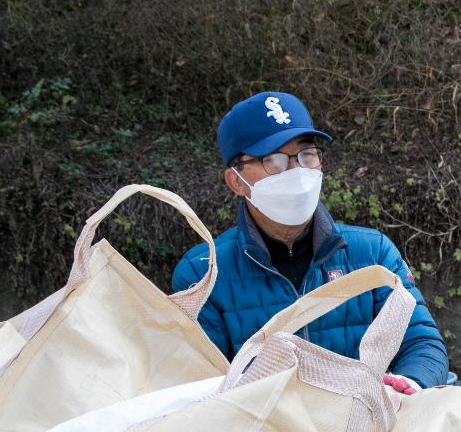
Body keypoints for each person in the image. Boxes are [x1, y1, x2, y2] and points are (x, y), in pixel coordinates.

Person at [172, 91, 447, 392]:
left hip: (368, 424)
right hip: (264, 431)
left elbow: (421, 341)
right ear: (237, 181)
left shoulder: (372, 252)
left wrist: (407, 384)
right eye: (273, 160)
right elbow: (201, 382)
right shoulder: (204, 273)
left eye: (307, 155)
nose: (297, 171)